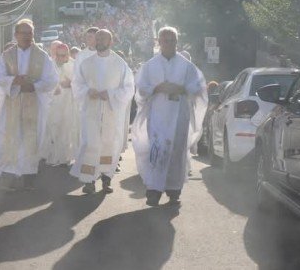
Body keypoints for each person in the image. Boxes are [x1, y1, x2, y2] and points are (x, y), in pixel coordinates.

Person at [133, 27, 207, 206]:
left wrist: (180, 89)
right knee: (156, 151)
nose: (168, 43)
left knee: (176, 152)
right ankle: (153, 191)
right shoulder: (150, 66)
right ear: (159, 42)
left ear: (176, 42)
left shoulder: (187, 66)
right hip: (157, 116)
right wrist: (157, 88)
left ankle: (174, 190)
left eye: (172, 40)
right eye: (165, 40)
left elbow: (198, 87)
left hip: (179, 116)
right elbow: (141, 89)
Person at [0, 19, 59, 190]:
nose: (28, 36)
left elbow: (52, 80)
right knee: (11, 137)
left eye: (30, 33)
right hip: (12, 103)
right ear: (16, 35)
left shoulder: (42, 56)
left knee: (31, 138)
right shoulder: (6, 56)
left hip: (33, 102)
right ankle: (10, 175)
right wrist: (13, 80)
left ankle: (29, 174)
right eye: (24, 33)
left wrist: (34, 86)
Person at [70, 30, 134, 193]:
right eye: (97, 38)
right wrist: (86, 91)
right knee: (90, 144)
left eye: (103, 38)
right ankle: (89, 181)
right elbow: (76, 83)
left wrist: (111, 94)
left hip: (111, 110)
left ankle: (106, 179)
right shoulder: (86, 63)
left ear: (111, 41)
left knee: (109, 144)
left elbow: (128, 88)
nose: (99, 40)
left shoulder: (120, 64)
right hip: (90, 110)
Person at [39, 43, 78, 166]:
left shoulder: (74, 65)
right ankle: (51, 155)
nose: (62, 58)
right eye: (59, 56)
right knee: (52, 128)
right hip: (52, 103)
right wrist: (52, 88)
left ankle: (64, 156)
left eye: (64, 55)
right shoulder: (49, 65)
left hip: (69, 103)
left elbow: (81, 83)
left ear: (68, 54)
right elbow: (42, 82)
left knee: (66, 129)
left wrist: (71, 84)